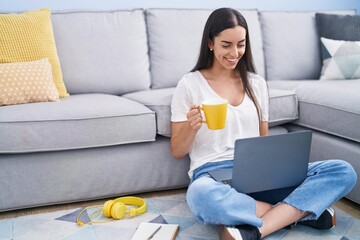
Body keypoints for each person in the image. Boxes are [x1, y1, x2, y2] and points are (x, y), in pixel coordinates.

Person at [170, 7, 357, 240]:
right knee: (199, 196)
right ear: (210, 43)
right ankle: (301, 213)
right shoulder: (190, 84)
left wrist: (276, 171)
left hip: (257, 173)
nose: (234, 52)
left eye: (241, 44)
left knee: (343, 170)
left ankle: (255, 230)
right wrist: (191, 126)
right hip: (211, 174)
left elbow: (262, 141)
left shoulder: (256, 83)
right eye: (226, 45)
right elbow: (177, 150)